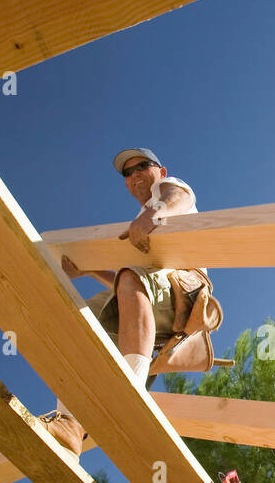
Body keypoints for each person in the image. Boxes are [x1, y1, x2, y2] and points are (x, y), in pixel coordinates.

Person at [42, 148, 216, 455]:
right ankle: (69, 422)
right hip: (151, 294)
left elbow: (181, 196)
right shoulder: (141, 223)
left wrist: (153, 213)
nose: (134, 174)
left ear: (160, 171)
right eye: (128, 173)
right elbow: (129, 286)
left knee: (132, 277)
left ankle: (129, 392)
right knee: (84, 315)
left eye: (142, 166)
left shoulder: (166, 191)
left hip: (184, 292)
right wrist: (92, 270)